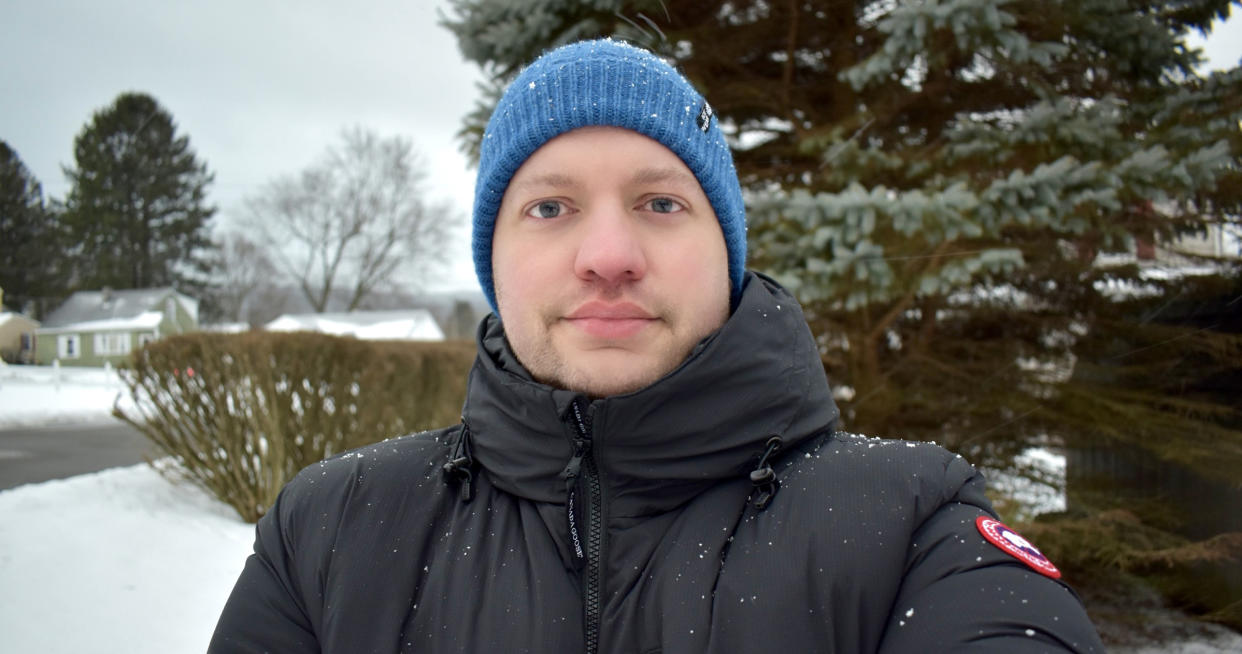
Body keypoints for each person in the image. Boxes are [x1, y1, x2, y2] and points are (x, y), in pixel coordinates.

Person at [209, 39, 1104, 653]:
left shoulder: (910, 526)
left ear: (729, 258)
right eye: (549, 208)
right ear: (495, 262)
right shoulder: (330, 532)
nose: (608, 257)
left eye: (662, 203)